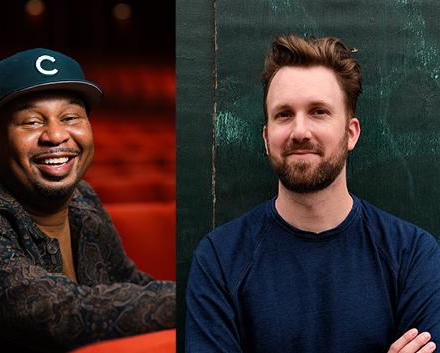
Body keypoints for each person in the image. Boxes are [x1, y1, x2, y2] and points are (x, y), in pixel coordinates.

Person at [185, 34, 440, 353]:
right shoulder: (219, 259)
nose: (300, 131)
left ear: (351, 133)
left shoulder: (412, 255)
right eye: (284, 114)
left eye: (319, 111)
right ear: (266, 137)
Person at [0, 48, 175, 352]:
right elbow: (64, 316)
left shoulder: (82, 199)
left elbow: (128, 284)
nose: (55, 135)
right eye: (32, 121)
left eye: (71, 117)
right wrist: (200, 298)